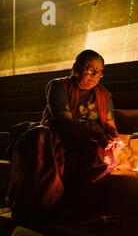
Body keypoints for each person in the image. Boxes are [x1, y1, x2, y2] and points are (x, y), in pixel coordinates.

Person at [6, 49, 121, 222]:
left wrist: (113, 138)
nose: (95, 75)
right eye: (90, 69)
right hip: (62, 135)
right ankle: (43, 206)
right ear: (76, 67)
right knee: (39, 139)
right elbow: (63, 122)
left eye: (99, 72)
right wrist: (96, 136)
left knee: (101, 156)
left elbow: (110, 127)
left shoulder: (103, 95)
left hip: (91, 140)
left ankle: (85, 208)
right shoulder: (59, 86)